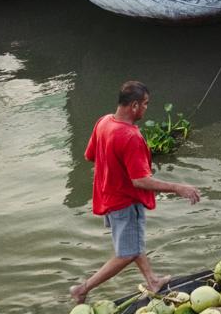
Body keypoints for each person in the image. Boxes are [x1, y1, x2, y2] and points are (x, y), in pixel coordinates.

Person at [71, 81, 201, 302]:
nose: (146, 108)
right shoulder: (130, 136)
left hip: (107, 196)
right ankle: (83, 289)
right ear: (134, 106)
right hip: (125, 202)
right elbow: (140, 181)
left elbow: (90, 155)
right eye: (145, 104)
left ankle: (152, 280)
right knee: (127, 253)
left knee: (133, 242)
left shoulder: (104, 121)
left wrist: (116, 169)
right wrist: (178, 187)